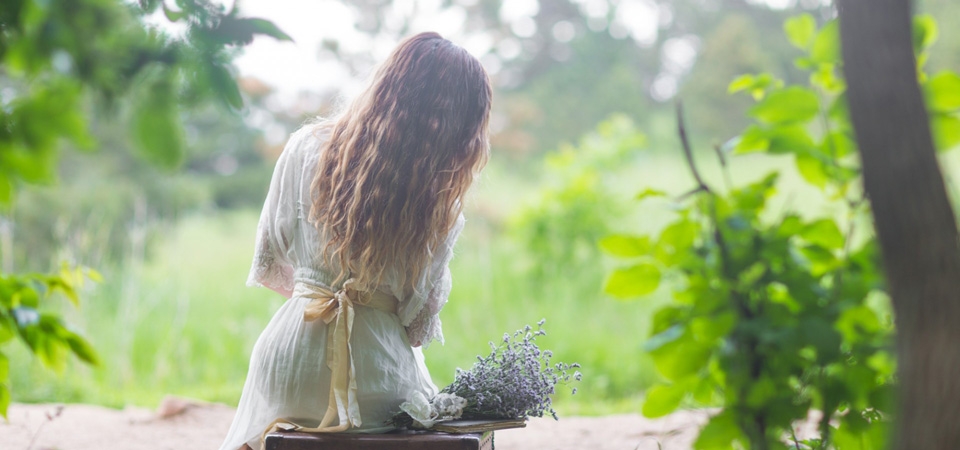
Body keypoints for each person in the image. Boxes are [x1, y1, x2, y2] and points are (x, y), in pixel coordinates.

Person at [218, 32, 492, 450]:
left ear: (388, 85)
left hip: (287, 362)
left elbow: (270, 264)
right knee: (440, 410)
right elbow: (417, 327)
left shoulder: (305, 147)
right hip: (376, 379)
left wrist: (320, 292)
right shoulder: (439, 204)